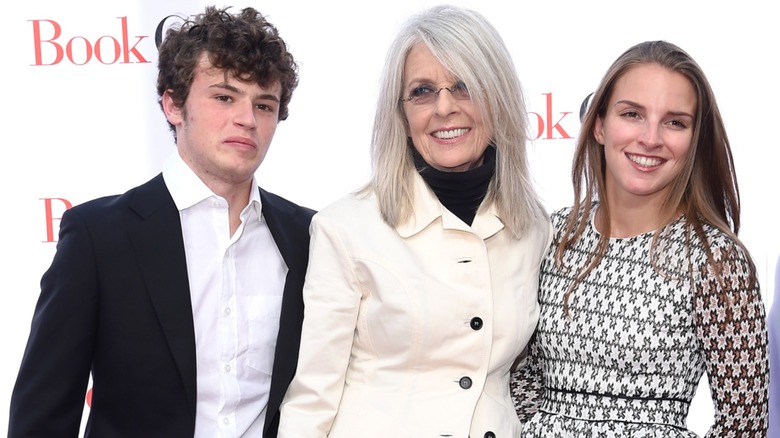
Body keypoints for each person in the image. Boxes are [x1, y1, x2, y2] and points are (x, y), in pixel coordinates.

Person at [9, 6, 314, 437]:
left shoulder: (308, 237)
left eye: (264, 104)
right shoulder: (99, 236)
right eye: (225, 97)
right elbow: (42, 414)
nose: (247, 119)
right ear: (173, 104)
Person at [276, 5, 551, 438]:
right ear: (401, 115)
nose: (444, 108)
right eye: (423, 91)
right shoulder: (344, 228)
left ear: (498, 100)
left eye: (465, 87)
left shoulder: (534, 228)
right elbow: (312, 397)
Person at [511, 40, 769, 436]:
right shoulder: (552, 234)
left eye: (674, 122)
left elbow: (745, 423)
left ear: (694, 139)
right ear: (598, 125)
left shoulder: (715, 260)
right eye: (632, 114)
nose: (650, 138)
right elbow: (520, 377)